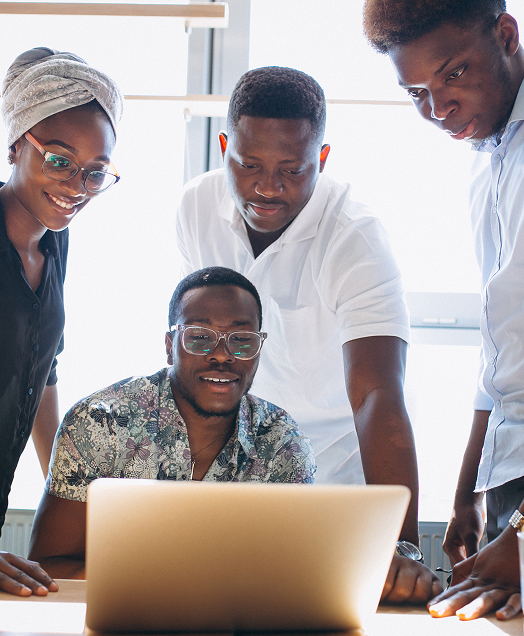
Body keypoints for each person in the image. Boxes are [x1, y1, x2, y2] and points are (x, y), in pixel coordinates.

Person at [176, 66, 441, 603]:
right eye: (248, 165)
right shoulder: (195, 207)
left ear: (320, 159)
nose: (266, 187)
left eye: (291, 170)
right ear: (224, 146)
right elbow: (196, 354)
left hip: (330, 483)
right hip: (227, 482)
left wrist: (404, 550)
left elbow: (376, 396)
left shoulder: (356, 239)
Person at [363, 0, 524, 621]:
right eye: (416, 93)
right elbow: (500, 353)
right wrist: (468, 494)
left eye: (453, 74)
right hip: (507, 486)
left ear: (506, 35)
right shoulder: (487, 174)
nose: (437, 108)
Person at [27, 267, 316, 579]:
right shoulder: (99, 422)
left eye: (241, 339)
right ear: (169, 346)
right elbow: (48, 568)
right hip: (122, 622)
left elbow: (293, 577)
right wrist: (164, 581)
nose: (221, 355)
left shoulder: (283, 442)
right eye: (200, 338)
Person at [0, 47, 122, 596]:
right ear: (15, 145)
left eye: (95, 173)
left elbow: (40, 372)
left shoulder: (55, 245)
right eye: (58, 159)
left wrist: (66, 499)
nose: (77, 185)